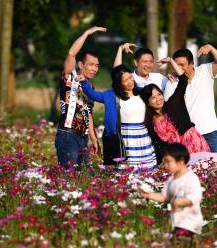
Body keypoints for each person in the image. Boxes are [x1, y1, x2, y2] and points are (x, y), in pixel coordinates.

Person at [79, 64, 157, 170]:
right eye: (125, 80)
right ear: (119, 84)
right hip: (123, 138)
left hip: (143, 137)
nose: (130, 81)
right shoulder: (111, 95)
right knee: (126, 172)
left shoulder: (143, 92)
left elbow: (158, 100)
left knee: (146, 170)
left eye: (130, 77)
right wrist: (84, 82)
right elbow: (92, 94)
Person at [139, 57, 210, 163]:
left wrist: (171, 61)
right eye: (153, 97)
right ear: (148, 102)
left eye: (159, 94)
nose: (158, 99)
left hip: (193, 144)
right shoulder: (150, 121)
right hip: (174, 154)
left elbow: (183, 80)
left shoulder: (173, 104)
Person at [56, 26, 106, 169]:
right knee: (70, 176)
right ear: (81, 65)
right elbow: (71, 53)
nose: (94, 68)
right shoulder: (69, 76)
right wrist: (86, 33)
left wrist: (94, 139)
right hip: (67, 135)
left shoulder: (90, 87)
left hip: (82, 138)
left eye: (97, 65)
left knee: (85, 176)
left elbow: (88, 114)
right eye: (91, 64)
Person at [163, 45, 217, 153]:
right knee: (195, 169)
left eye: (182, 65)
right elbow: (168, 110)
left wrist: (211, 48)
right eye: (176, 65)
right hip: (189, 135)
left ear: (192, 63)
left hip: (211, 132)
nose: (179, 68)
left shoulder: (205, 71)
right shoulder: (172, 83)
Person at [141, 143, 204, 237]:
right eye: (164, 162)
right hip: (177, 222)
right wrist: (148, 195)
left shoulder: (190, 178)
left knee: (180, 244)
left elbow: (195, 197)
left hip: (190, 223)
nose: (165, 165)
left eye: (168, 162)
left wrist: (178, 202)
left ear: (181, 161)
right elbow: (163, 196)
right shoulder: (171, 179)